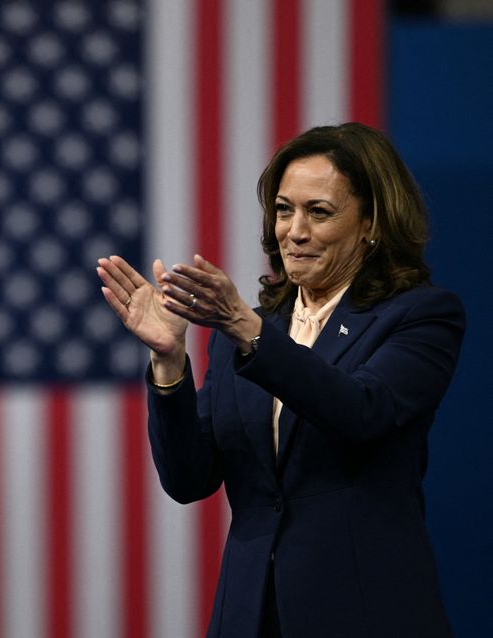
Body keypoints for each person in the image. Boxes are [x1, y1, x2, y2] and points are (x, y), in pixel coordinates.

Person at [97, 122, 464, 637]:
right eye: (284, 209)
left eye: (319, 212)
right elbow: (189, 479)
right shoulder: (241, 333)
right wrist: (169, 362)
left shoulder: (419, 316)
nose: (294, 231)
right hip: (250, 613)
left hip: (363, 610)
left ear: (371, 222)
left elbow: (363, 411)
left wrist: (248, 332)